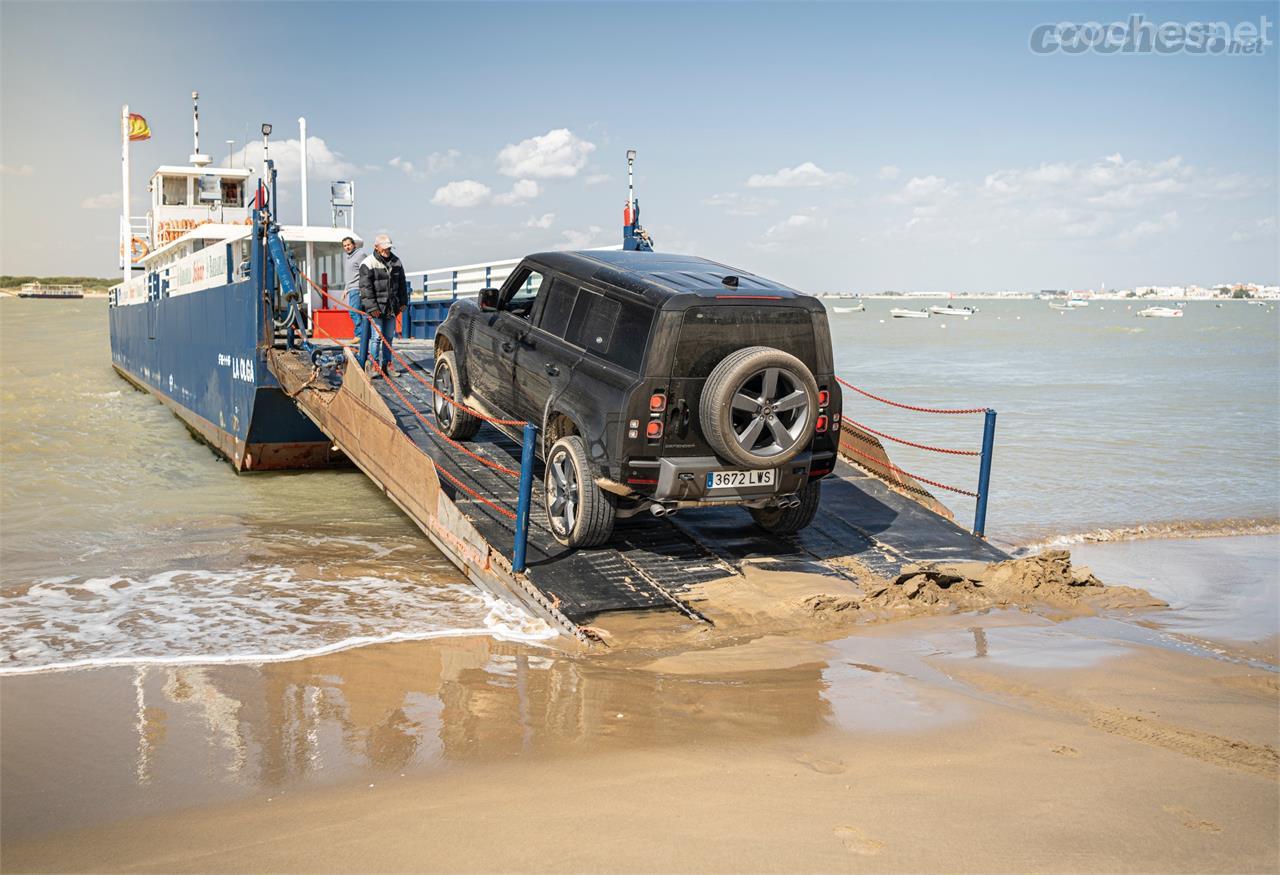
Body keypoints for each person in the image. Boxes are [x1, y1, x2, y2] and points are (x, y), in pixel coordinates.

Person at [357, 233, 408, 378]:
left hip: (391, 307)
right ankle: (373, 365)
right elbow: (365, 289)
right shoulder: (368, 263)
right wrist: (372, 308)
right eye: (384, 248)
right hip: (376, 308)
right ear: (376, 247)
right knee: (377, 338)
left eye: (389, 248)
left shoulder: (397, 262)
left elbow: (402, 284)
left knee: (389, 337)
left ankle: (387, 365)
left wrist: (403, 302)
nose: (387, 250)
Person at [341, 236, 366, 350]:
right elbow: (350, 275)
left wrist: (363, 287)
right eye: (345, 246)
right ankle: (362, 334)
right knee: (357, 312)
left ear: (354, 245)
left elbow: (366, 271)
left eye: (349, 245)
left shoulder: (360, 255)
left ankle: (359, 335)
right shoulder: (348, 257)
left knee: (353, 312)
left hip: (357, 288)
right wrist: (346, 289)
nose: (347, 247)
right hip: (351, 288)